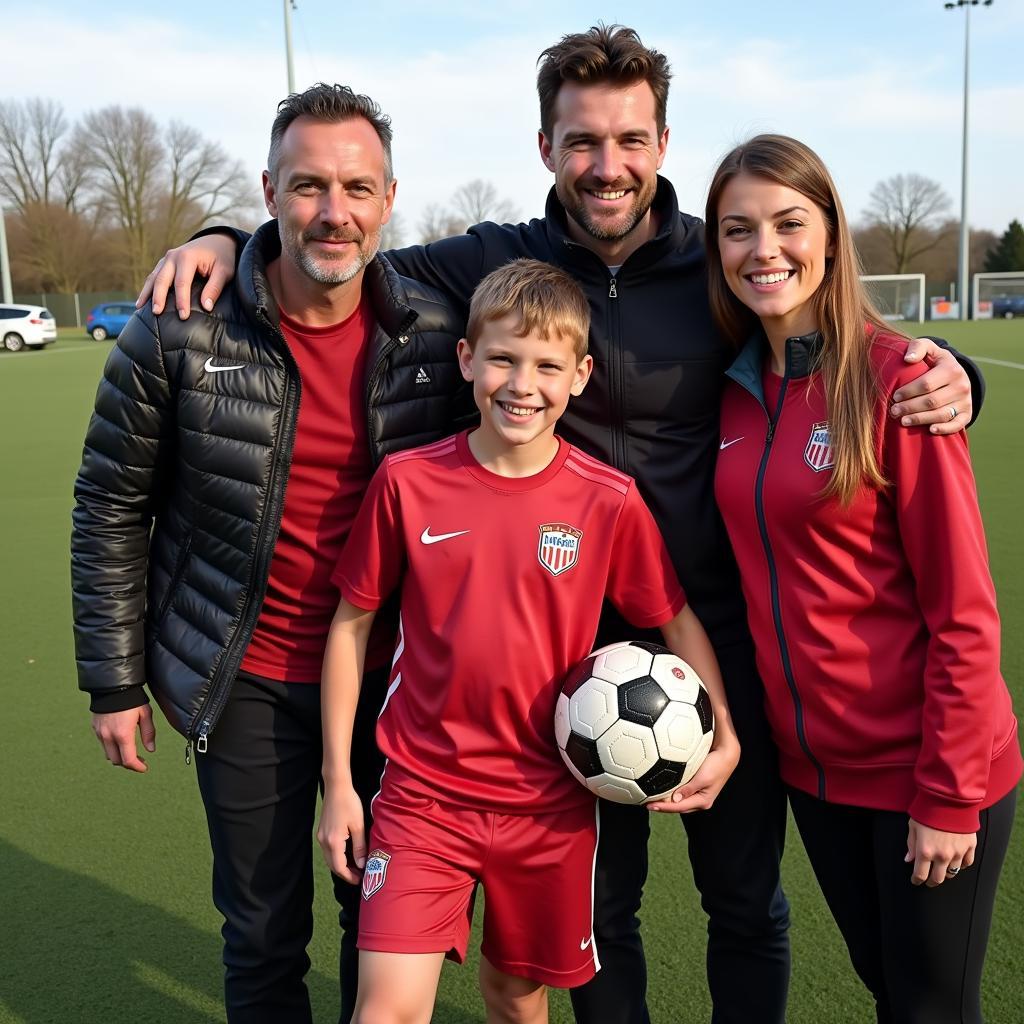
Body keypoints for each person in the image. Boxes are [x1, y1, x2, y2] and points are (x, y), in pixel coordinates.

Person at [135, 26, 982, 1024]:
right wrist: (227, 236)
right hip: (576, 668)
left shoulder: (714, 263)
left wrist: (954, 375)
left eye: (629, 139)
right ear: (546, 148)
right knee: (605, 912)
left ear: (662, 142)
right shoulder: (493, 260)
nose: (607, 164)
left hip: (715, 641)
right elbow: (338, 247)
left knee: (744, 903)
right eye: (581, 141)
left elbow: (829, 332)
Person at [71, 83, 474, 1024]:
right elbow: (109, 505)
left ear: (389, 196)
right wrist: (114, 681)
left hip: (393, 682)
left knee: (381, 925)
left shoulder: (435, 337)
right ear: (267, 190)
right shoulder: (176, 328)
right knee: (261, 933)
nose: (335, 213)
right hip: (243, 672)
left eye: (358, 188)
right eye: (308, 187)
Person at [317, 258, 739, 1024]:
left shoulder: (606, 500)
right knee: (386, 1011)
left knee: (516, 998)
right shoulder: (408, 482)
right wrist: (340, 783)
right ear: (466, 360)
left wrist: (726, 735)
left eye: (547, 365)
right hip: (422, 796)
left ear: (579, 375)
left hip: (550, 807)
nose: (523, 384)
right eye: (504, 358)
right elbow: (350, 627)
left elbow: (675, 620)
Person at [707, 133, 1021, 1023]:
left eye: (787, 223)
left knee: (931, 1010)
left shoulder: (898, 383)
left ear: (833, 236)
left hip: (927, 770)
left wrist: (951, 794)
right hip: (817, 776)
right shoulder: (732, 390)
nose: (763, 249)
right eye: (737, 229)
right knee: (891, 991)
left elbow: (964, 610)